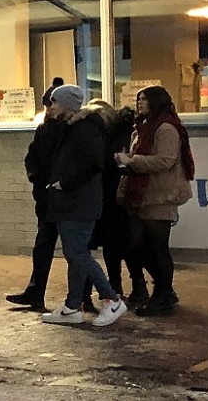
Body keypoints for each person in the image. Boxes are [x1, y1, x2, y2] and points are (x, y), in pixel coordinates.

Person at [38, 84, 128, 327]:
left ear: (68, 104)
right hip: (72, 202)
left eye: (55, 102)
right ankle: (72, 306)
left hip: (78, 202)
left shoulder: (84, 129)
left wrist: (64, 184)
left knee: (77, 253)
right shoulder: (69, 127)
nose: (51, 106)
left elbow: (92, 164)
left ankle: (112, 299)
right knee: (74, 253)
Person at [116, 85, 194, 316]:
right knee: (134, 245)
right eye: (138, 99)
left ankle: (162, 296)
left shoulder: (166, 128)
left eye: (144, 99)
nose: (139, 103)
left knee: (157, 247)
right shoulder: (139, 129)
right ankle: (164, 290)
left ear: (156, 102)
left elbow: (165, 161)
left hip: (161, 194)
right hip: (140, 195)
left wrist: (131, 161)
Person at [7, 82, 68, 310]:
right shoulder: (45, 129)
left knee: (75, 248)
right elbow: (32, 156)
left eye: (52, 104)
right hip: (45, 196)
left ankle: (85, 295)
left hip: (63, 194)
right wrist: (34, 175)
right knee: (43, 245)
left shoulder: (71, 129)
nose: (49, 109)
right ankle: (35, 290)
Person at [90, 98, 142, 309]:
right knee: (118, 246)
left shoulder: (115, 135)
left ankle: (126, 286)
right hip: (111, 198)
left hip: (114, 197)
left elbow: (114, 164)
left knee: (120, 246)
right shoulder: (114, 133)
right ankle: (122, 286)